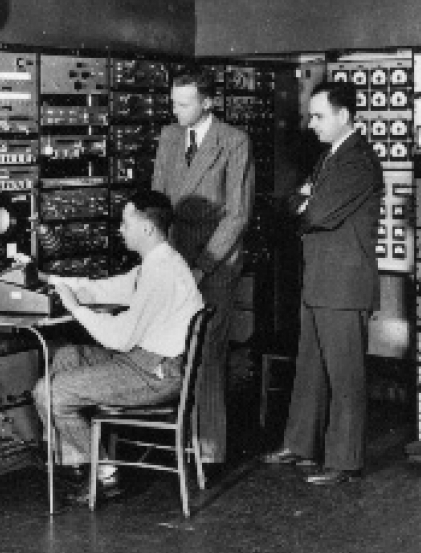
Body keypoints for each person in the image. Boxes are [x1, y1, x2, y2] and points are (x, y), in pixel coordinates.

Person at [33, 189, 204, 503]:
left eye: (126, 222)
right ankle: (79, 464)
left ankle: (105, 475)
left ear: (146, 228)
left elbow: (119, 338)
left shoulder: (161, 273)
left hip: (154, 374)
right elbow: (106, 289)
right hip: (149, 363)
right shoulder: (159, 263)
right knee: (68, 357)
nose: (120, 229)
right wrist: (51, 280)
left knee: (49, 392)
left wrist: (75, 308)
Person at [262, 80, 383, 485]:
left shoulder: (357, 161)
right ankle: (300, 444)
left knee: (345, 376)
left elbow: (315, 214)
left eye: (318, 116)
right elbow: (299, 203)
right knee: (310, 368)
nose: (311, 124)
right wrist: (305, 200)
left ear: (344, 116)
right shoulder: (331, 156)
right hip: (321, 280)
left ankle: (344, 460)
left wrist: (305, 202)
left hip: (344, 285)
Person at [152, 69, 254, 466]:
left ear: (208, 103)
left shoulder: (233, 141)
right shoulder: (169, 136)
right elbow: (157, 201)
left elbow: (238, 215)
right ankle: (176, 443)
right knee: (169, 348)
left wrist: (201, 267)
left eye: (184, 103)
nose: (175, 110)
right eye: (173, 102)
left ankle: (208, 452)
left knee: (207, 351)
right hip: (175, 258)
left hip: (215, 263)